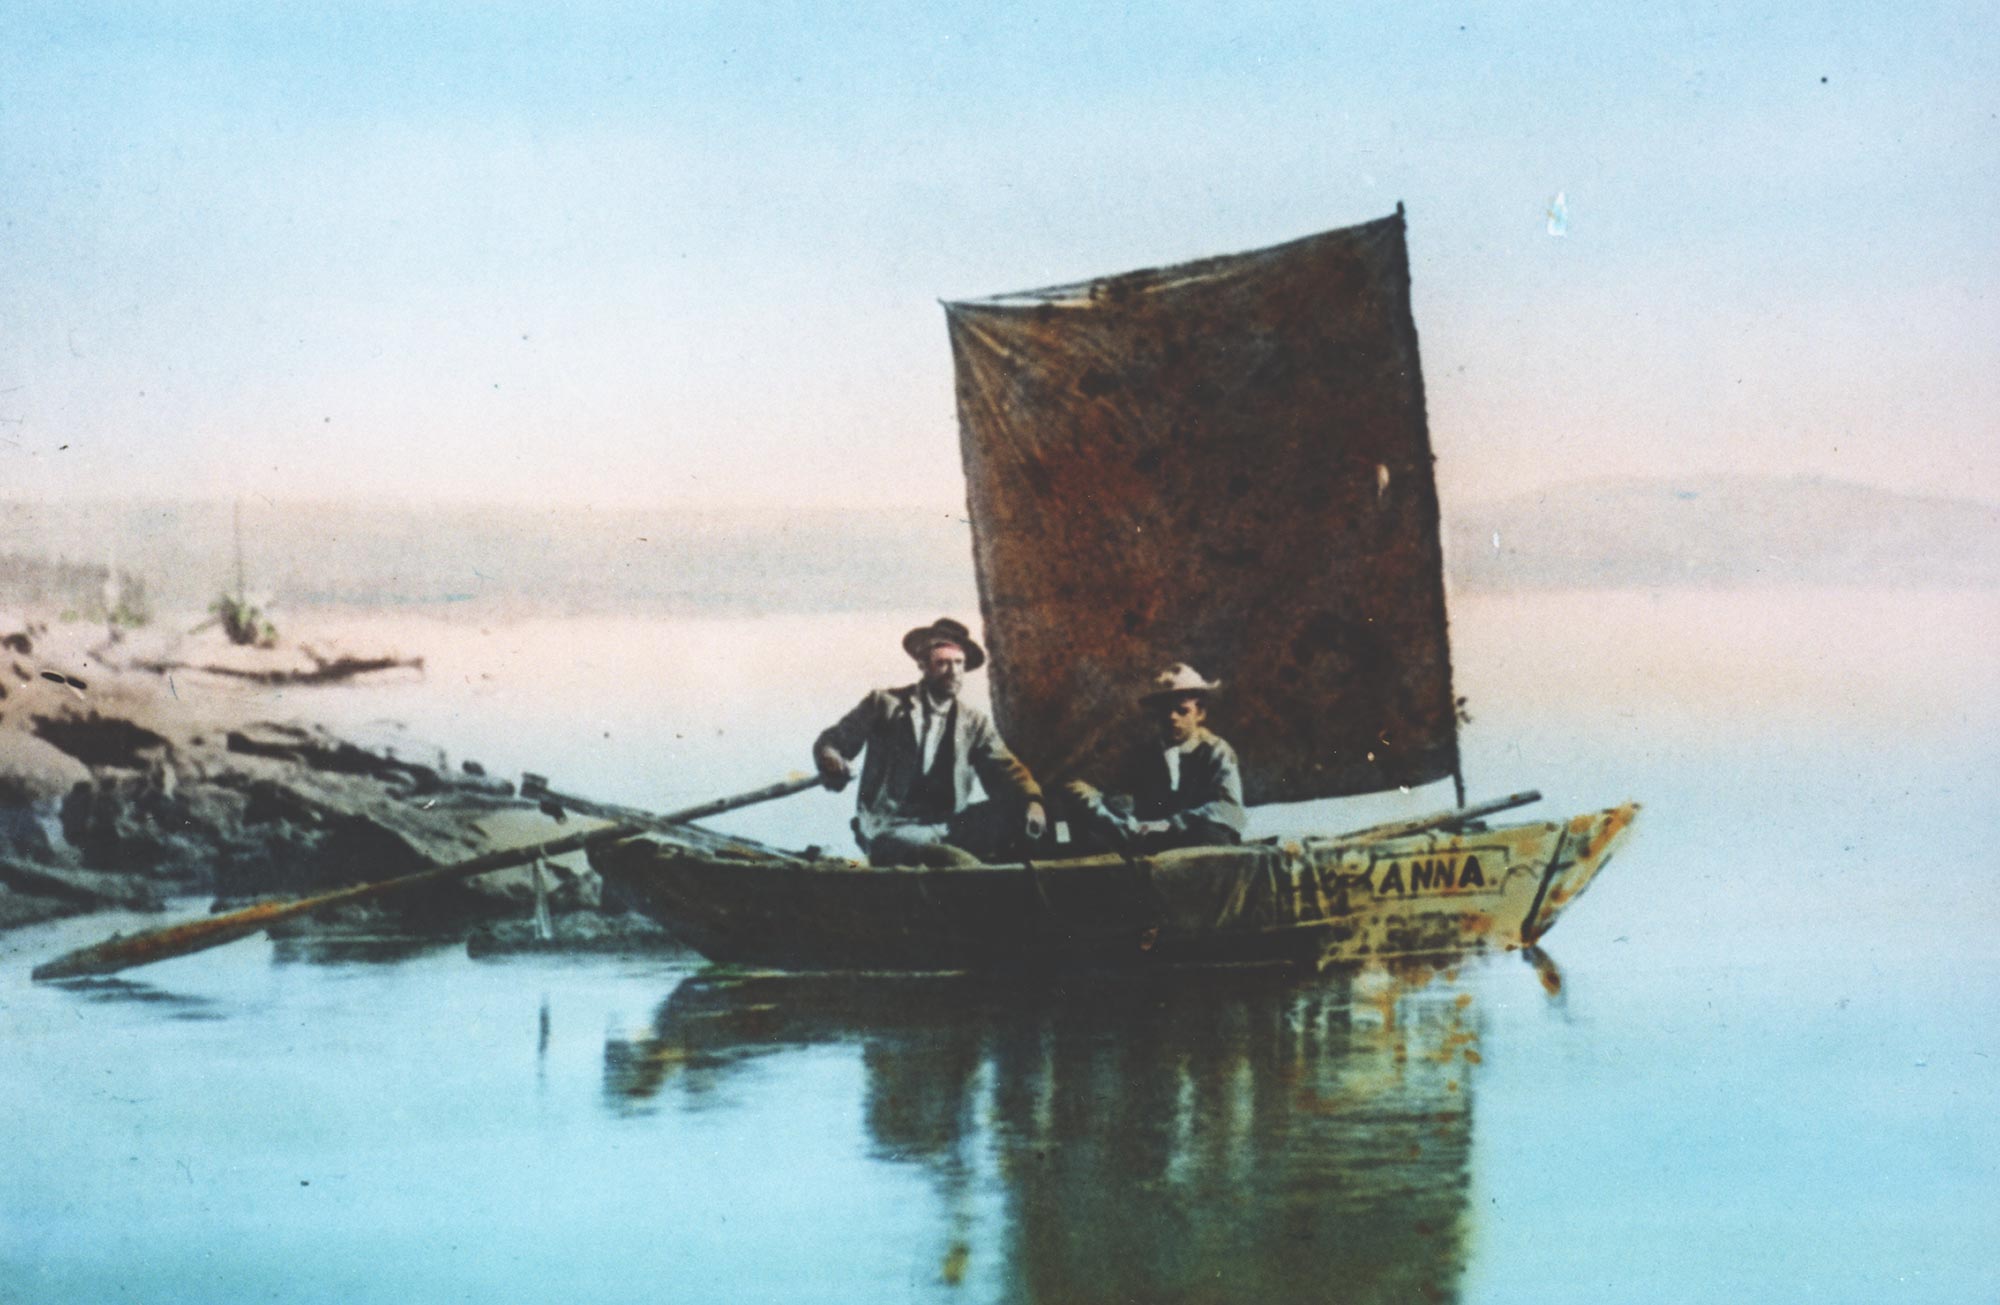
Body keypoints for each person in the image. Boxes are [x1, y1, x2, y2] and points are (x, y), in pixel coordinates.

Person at [814, 618, 1048, 867]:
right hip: (891, 827)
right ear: (923, 665)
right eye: (942, 663)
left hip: (951, 823)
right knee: (952, 861)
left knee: (1024, 818)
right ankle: (975, 876)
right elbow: (833, 742)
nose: (953, 671)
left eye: (959, 663)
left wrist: (1032, 801)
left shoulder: (974, 722)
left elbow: (1006, 770)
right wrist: (832, 759)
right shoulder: (884, 705)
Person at [1064, 663, 1247, 853]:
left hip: (1196, 843)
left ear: (1200, 713)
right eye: (1165, 711)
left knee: (1212, 837)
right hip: (1151, 844)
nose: (1172, 718)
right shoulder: (1143, 753)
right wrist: (1115, 819)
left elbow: (1229, 809)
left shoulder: (1216, 751)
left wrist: (1171, 824)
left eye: (1182, 711)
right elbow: (1080, 786)